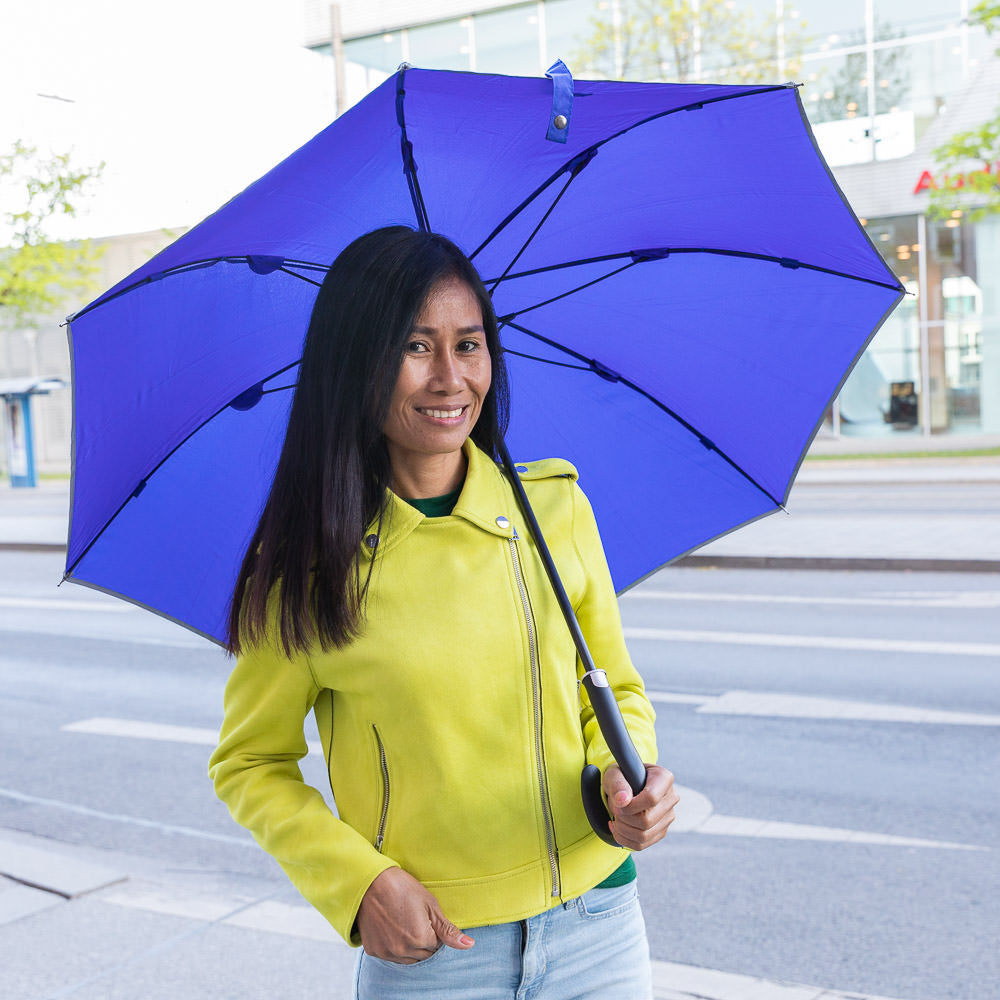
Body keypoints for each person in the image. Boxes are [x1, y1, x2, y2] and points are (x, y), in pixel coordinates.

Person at [209, 225, 678, 999]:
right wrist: (360, 885)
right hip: (437, 954)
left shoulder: (554, 508)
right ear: (358, 360)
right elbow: (250, 764)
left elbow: (615, 691)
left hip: (599, 924)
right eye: (416, 346)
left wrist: (625, 781)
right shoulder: (304, 570)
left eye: (469, 345)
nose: (450, 379)